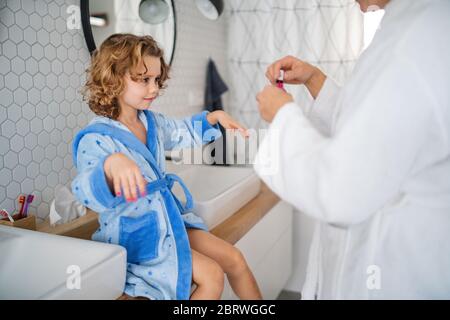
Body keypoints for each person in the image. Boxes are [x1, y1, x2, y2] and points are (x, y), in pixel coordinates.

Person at [255, 0, 450, 299]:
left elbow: (343, 189)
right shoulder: (413, 27)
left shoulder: (415, 39)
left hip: (396, 275)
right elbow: (373, 128)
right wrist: (315, 79)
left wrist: (283, 117)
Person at [72, 33, 262, 300]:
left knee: (235, 259)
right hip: (139, 236)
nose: (154, 89)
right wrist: (109, 167)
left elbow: (183, 130)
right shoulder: (96, 138)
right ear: (114, 78)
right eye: (144, 79)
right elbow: (83, 190)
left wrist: (214, 117)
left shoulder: (152, 122)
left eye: (157, 80)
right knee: (212, 275)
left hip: (169, 220)